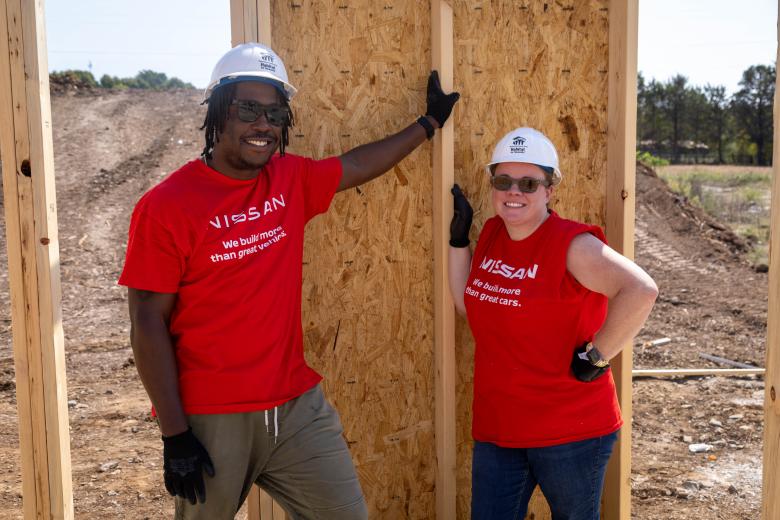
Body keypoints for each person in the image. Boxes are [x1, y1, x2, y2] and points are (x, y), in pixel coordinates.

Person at [118, 42, 459, 520]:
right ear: (219, 112)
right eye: (248, 110)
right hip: (214, 416)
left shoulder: (288, 180)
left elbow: (358, 165)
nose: (262, 125)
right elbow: (147, 321)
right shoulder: (167, 205)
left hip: (296, 408)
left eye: (275, 115)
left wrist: (428, 125)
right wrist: (175, 435)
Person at [448, 127, 658, 520]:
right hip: (499, 428)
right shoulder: (493, 233)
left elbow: (640, 290)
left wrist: (598, 356)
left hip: (570, 431)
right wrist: (459, 242)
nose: (514, 192)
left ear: (550, 190)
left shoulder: (572, 244)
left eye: (529, 183)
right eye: (503, 181)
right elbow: (467, 307)